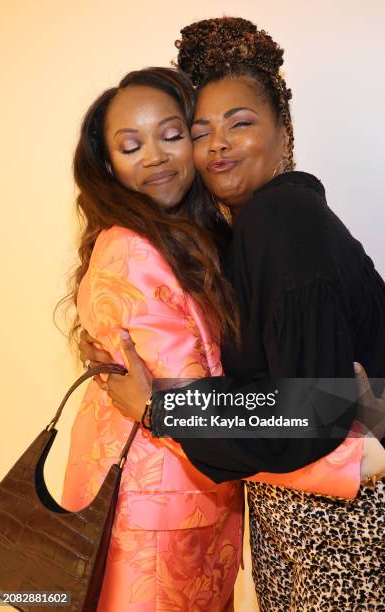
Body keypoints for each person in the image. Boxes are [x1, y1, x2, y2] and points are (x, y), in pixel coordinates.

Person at [81, 18, 385, 611]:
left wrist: (161, 406)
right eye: (200, 132)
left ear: (285, 133)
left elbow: (308, 411)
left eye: (241, 123)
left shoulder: (280, 222)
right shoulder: (255, 230)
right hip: (311, 518)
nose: (218, 145)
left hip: (346, 531)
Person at [60, 67, 244, 612]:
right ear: (108, 165)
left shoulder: (188, 240)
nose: (155, 157)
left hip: (182, 503)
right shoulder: (135, 249)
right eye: (131, 145)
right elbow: (192, 411)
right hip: (154, 517)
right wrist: (346, 444)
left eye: (170, 135)